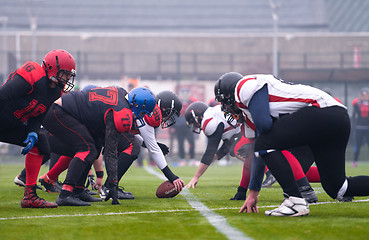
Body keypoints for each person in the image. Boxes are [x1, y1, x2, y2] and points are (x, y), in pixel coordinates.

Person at [215, 72, 369, 217]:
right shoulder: (250, 115)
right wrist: (253, 193)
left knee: (263, 142)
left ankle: (295, 200)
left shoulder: (244, 86)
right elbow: (261, 153)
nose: (225, 108)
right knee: (338, 188)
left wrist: (259, 144)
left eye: (223, 102)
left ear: (229, 95)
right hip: (336, 119)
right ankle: (296, 197)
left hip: (322, 111)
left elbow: (264, 128)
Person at [40, 86, 156, 206]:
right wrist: (113, 185)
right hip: (59, 112)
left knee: (94, 148)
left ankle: (78, 190)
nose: (141, 117)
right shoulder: (121, 111)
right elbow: (110, 152)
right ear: (137, 105)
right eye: (143, 112)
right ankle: (65, 194)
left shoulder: (121, 95)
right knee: (87, 149)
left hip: (63, 110)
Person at [184, 101, 319, 203]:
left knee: (243, 151)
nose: (196, 127)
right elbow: (223, 150)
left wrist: (196, 177)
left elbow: (210, 150)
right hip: (291, 131)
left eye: (194, 123)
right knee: (295, 169)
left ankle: (278, 175)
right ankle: (336, 182)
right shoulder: (217, 113)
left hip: (288, 130)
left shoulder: (209, 120)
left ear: (197, 116)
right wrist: (241, 190)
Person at [0, 49, 76, 208]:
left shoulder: (55, 91)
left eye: (69, 74)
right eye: (65, 73)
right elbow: (2, 95)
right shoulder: (33, 75)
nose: (68, 78)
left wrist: (32, 132)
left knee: (41, 143)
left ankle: (30, 196)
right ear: (52, 68)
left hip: (11, 125)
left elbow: (38, 114)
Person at [173, 88, 197, 166]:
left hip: (189, 126)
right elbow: (173, 114)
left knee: (191, 142)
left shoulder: (193, 102)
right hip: (179, 126)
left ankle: (192, 159)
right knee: (180, 143)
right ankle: (182, 159)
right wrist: (174, 125)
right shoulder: (177, 103)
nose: (185, 95)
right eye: (183, 93)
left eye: (186, 93)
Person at [351, 87, 369, 167]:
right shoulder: (357, 103)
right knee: (357, 145)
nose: (364, 96)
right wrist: (353, 125)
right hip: (359, 127)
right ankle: (355, 161)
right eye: (362, 94)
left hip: (368, 127)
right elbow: (354, 115)